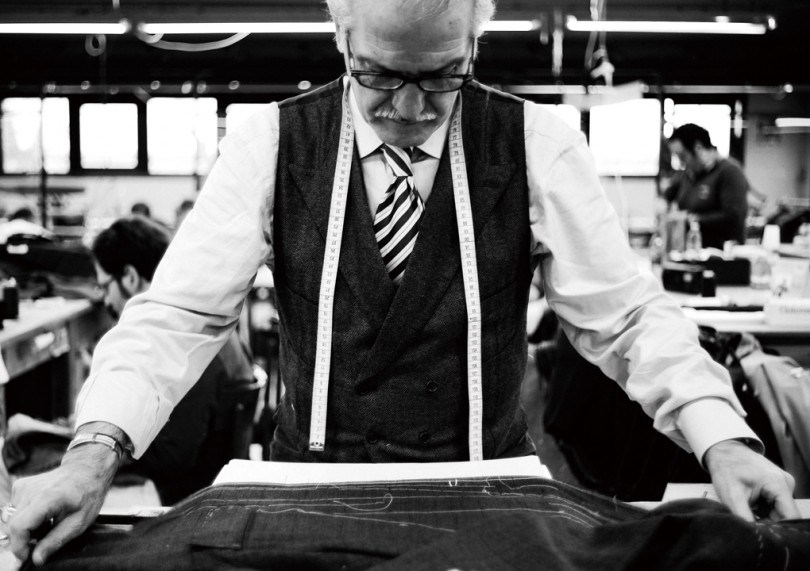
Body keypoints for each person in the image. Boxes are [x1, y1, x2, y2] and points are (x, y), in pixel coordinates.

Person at [8, 0, 798, 565]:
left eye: (444, 75)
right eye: (381, 75)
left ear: (476, 40)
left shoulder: (537, 146)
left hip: (487, 498)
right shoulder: (269, 146)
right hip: (306, 502)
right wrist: (92, 454)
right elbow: (176, 316)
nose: (413, 107)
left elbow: (625, 318)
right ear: (340, 34)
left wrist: (722, 439)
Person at [91, 216, 256, 505]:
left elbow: (174, 457)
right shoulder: (207, 321)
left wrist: (111, 436)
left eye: (105, 287)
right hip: (211, 488)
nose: (105, 301)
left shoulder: (183, 340)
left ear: (129, 276)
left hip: (187, 499)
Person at [664, 123, 750, 248]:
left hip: (720, 252)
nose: (681, 163)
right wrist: (663, 204)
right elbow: (667, 195)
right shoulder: (688, 174)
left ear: (698, 148)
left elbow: (732, 217)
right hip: (692, 250)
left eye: (683, 156)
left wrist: (690, 218)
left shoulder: (730, 173)